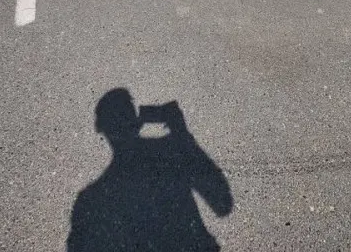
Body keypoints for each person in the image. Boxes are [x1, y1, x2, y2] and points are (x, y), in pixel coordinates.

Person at [67, 89, 233, 251]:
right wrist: (182, 134)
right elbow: (222, 204)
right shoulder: (171, 155)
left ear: (100, 128)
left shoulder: (88, 200)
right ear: (137, 121)